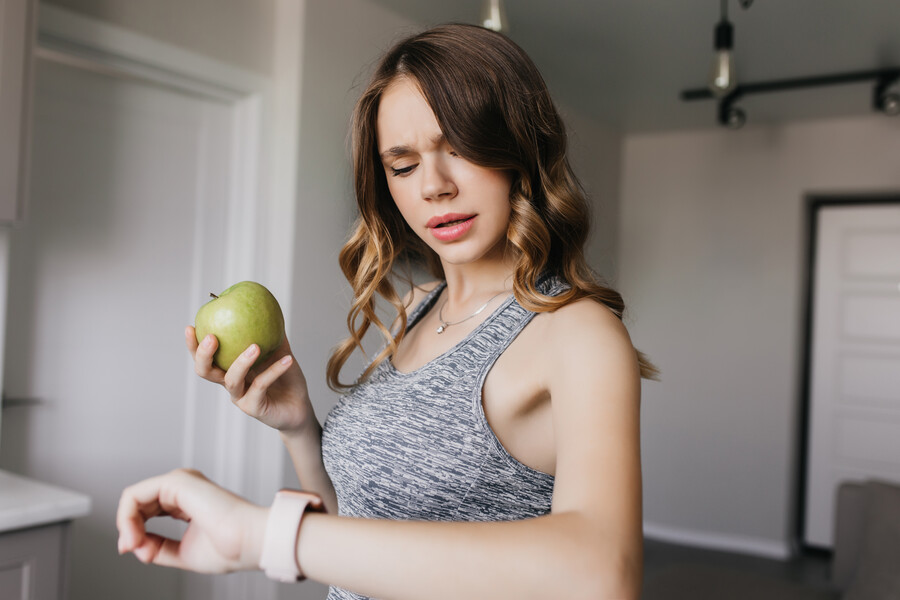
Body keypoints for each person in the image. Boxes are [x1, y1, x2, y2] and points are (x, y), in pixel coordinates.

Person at [116, 23, 656, 600]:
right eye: (403, 165)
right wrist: (298, 423)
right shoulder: (420, 308)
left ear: (518, 153)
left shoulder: (578, 333)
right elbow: (359, 525)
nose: (434, 186)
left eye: (462, 149)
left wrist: (263, 535)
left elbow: (603, 572)